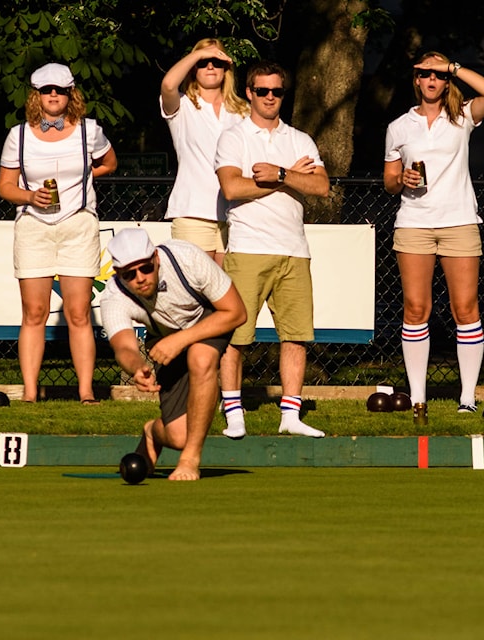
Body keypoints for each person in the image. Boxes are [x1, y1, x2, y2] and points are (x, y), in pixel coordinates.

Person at [214, 60, 331, 439]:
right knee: (236, 337)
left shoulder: (300, 139)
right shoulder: (233, 137)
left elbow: (321, 187)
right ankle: (234, 412)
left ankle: (291, 416)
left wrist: (279, 174)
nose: (269, 97)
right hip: (248, 247)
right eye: (262, 91)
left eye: (276, 91)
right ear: (249, 92)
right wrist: (293, 178)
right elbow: (233, 188)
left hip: (294, 249)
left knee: (294, 336)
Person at [382, 52, 484, 424]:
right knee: (416, 309)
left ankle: (467, 398)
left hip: (459, 221)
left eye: (438, 75)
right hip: (414, 223)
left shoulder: (462, 116)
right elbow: (388, 181)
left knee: (465, 309)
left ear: (446, 80)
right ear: (416, 80)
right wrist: (402, 179)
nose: (431, 80)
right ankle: (418, 398)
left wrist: (453, 66)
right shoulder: (399, 126)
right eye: (425, 74)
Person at [0, 63, 118, 404]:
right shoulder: (17, 135)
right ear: (36, 95)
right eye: (47, 90)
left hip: (78, 224)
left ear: (70, 94)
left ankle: (85, 392)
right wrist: (29, 196)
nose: (53, 96)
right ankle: (31, 393)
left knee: (78, 312)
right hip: (33, 226)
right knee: (34, 313)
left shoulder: (89, 131)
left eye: (60, 90)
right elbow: (5, 186)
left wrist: (87, 179)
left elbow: (110, 162)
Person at [100, 228, 247, 481]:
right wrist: (136, 368)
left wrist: (181, 340)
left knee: (200, 357)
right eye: (129, 274)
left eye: (145, 268)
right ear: (118, 275)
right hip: (165, 339)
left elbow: (236, 312)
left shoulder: (186, 258)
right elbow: (124, 347)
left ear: (156, 258)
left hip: (210, 318)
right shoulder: (114, 296)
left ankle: (190, 460)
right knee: (179, 436)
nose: (140, 278)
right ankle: (152, 432)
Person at [160, 38, 249, 266]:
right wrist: (199, 54)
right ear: (193, 69)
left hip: (236, 216)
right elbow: (169, 84)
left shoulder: (243, 111)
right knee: (194, 294)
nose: (210, 66)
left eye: (216, 61)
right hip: (193, 214)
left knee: (228, 295)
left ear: (226, 69)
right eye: (203, 62)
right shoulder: (182, 105)